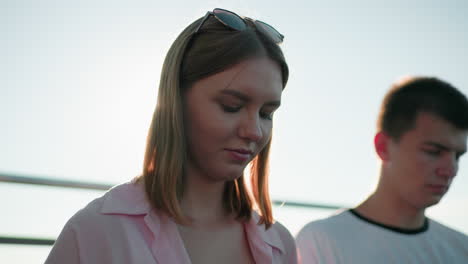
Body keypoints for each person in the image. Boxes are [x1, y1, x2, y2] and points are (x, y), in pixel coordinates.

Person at [46, 8, 297, 264]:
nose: (254, 131)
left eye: (267, 113)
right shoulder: (96, 232)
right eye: (231, 106)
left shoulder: (280, 244)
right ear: (176, 100)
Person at [296, 76, 468, 263]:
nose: (450, 170)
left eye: (457, 156)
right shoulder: (321, 241)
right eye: (433, 152)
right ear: (383, 147)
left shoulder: (461, 249)